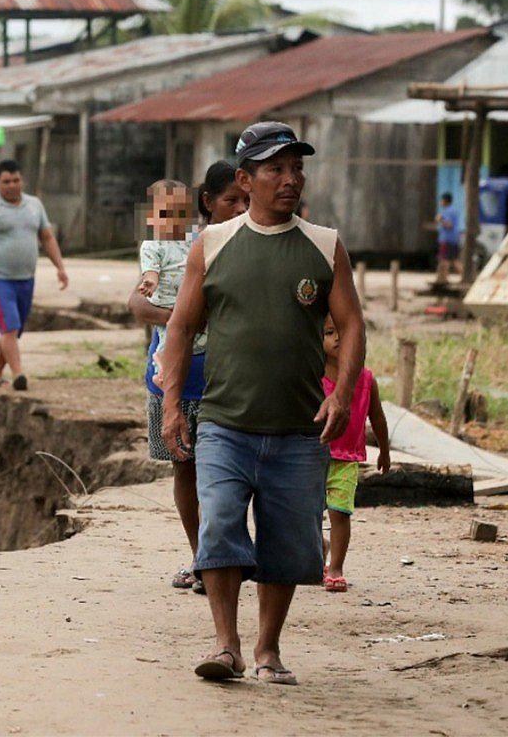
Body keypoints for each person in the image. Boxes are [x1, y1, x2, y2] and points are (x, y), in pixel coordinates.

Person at [159, 121, 364, 686]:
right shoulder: (213, 244)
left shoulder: (325, 246)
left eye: (296, 167)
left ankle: (268, 647)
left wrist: (343, 395)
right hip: (225, 423)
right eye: (276, 168)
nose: (290, 179)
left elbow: (351, 327)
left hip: (300, 429)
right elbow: (179, 329)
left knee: (287, 541)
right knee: (220, 526)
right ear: (246, 180)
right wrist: (173, 404)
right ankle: (226, 646)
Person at [130, 163, 248, 593]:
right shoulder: (182, 245)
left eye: (245, 201)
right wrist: (184, 321)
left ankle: (220, 558)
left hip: (226, 378)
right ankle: (203, 558)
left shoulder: (251, 244)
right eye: (231, 200)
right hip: (174, 375)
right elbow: (138, 305)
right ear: (207, 203)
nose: (239, 208)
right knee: (186, 469)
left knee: (224, 473)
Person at [0, 159, 68, 391]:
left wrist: (60, 267)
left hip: (26, 279)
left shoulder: (34, 205)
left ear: (22, 180)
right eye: (6, 182)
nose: (12, 185)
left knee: (13, 329)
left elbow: (47, 238)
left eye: (16, 180)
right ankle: (19, 374)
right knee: (9, 326)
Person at [319, 315, 389, 593]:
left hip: (346, 459)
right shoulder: (315, 376)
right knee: (308, 515)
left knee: (340, 513)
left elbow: (378, 418)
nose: (337, 338)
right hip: (314, 458)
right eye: (329, 332)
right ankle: (319, 548)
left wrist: (384, 450)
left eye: (343, 333)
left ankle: (336, 567)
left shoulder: (366, 380)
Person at [432, 192, 462, 283]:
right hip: (454, 239)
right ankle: (463, 276)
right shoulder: (453, 210)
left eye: (441, 200)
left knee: (444, 260)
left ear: (445, 201)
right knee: (454, 260)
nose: (440, 202)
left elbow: (449, 225)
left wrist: (440, 219)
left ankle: (443, 279)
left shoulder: (447, 211)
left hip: (447, 239)